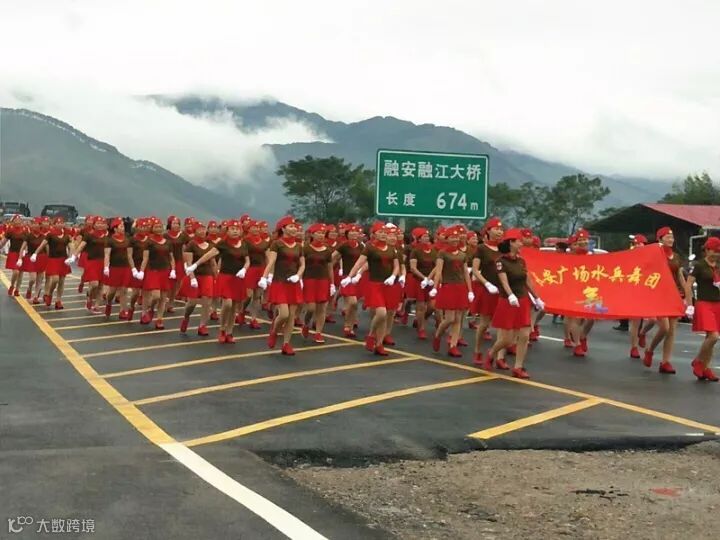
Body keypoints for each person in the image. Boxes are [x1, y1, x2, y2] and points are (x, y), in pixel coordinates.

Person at [484, 228, 545, 379]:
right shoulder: (501, 262)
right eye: (519, 241)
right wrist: (510, 295)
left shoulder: (521, 261)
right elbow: (503, 281)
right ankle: (492, 353)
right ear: (511, 243)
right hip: (508, 301)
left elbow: (527, 281)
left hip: (523, 300)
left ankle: (518, 366)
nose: (521, 244)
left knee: (524, 335)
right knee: (507, 339)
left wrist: (536, 298)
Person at [186, 220, 249, 343]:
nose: (235, 231)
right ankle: (222, 329)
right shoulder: (223, 243)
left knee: (234, 307)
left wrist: (244, 269)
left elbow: (247, 260)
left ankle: (229, 332)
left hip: (238, 278)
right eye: (232, 229)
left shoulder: (243, 244)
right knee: (227, 304)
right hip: (225, 277)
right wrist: (195, 265)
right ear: (227, 231)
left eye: (237, 229)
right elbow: (209, 254)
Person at [342, 222, 399, 355]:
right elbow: (359, 264)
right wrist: (350, 276)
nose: (383, 235)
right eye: (380, 232)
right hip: (375, 285)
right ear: (374, 234)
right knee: (381, 313)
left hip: (388, 285)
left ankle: (379, 345)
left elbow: (396, 266)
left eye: (385, 232)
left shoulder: (392, 249)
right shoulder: (370, 248)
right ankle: (371, 334)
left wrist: (393, 276)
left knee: (384, 317)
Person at [640, 227, 687, 374]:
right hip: (659, 295)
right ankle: (650, 350)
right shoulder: (656, 254)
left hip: (674, 295)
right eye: (667, 237)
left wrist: (687, 296)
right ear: (660, 239)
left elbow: (680, 276)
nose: (671, 239)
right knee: (664, 328)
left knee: (671, 331)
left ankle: (666, 362)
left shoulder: (676, 256)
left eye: (672, 237)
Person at [260, 216, 305, 355]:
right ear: (283, 229)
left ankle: (286, 344)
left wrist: (298, 276)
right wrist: (264, 276)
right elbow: (271, 261)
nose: (294, 229)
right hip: (279, 282)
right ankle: (274, 331)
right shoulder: (277, 244)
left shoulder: (299, 246)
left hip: (293, 283)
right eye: (290, 226)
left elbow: (302, 264)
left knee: (291, 316)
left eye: (295, 226)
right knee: (284, 314)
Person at [430, 226, 474, 357]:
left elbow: (465, 273)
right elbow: (438, 271)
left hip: (461, 287)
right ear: (447, 239)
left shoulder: (462, 255)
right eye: (452, 237)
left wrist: (470, 290)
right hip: (448, 286)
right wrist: (434, 287)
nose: (455, 239)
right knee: (449, 318)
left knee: (458, 318)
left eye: (456, 237)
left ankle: (453, 346)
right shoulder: (442, 253)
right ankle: (438, 335)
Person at [685, 236, 720, 381]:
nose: (717, 254)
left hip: (717, 304)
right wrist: (690, 305)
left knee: (711, 339)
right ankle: (698, 361)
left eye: (719, 251)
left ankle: (705, 368)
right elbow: (688, 285)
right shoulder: (699, 265)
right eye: (714, 251)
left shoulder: (718, 265)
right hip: (704, 303)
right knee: (713, 336)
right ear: (707, 250)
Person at [471, 217, 504, 366]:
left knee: (503, 325)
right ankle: (477, 350)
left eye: (501, 229)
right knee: (484, 323)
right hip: (487, 290)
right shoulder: (481, 249)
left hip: (502, 289)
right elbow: (475, 270)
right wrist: (487, 284)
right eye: (496, 229)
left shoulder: (504, 248)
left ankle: (499, 357)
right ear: (488, 231)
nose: (499, 232)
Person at [138, 217, 176, 329]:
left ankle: (159, 319)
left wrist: (173, 269)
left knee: (163, 297)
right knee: (155, 296)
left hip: (165, 271)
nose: (158, 228)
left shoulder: (168, 242)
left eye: (160, 226)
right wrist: (141, 271)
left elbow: (171, 257)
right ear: (152, 228)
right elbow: (145, 258)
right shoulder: (148, 242)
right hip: (152, 270)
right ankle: (149, 309)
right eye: (156, 227)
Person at [179, 222, 216, 336]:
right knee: (192, 303)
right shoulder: (191, 244)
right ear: (195, 231)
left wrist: (216, 277)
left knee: (207, 301)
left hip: (207, 275)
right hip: (194, 275)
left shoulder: (210, 245)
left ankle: (202, 325)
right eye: (199, 229)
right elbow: (188, 263)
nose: (202, 231)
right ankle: (186, 317)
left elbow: (213, 263)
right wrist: (192, 278)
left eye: (203, 229)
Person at [301, 223, 334, 343]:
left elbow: (330, 268)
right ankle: (306, 324)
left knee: (322, 308)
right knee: (311, 308)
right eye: (318, 233)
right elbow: (301, 265)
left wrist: (332, 284)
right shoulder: (305, 249)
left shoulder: (327, 250)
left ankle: (318, 333)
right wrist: (300, 279)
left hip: (323, 281)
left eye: (323, 233)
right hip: (309, 280)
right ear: (312, 235)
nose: (321, 235)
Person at [69, 216, 109, 313]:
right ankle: (89, 297)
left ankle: (97, 306)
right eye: (98, 223)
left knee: (101, 285)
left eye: (102, 223)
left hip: (102, 261)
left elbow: (108, 251)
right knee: (94, 284)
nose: (100, 225)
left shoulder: (106, 236)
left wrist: (107, 264)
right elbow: (81, 246)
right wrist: (74, 256)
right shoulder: (89, 235)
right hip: (92, 262)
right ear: (94, 225)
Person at [30, 219, 71, 309]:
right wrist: (35, 253)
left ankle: (58, 300)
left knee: (61, 281)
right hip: (53, 259)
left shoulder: (66, 235)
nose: (60, 224)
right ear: (54, 224)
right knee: (55, 279)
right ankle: (49, 294)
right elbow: (42, 245)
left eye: (61, 223)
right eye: (58, 223)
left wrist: (71, 257)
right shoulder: (50, 235)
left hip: (63, 260)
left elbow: (70, 247)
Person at [333, 224, 364, 337]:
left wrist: (360, 273)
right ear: (347, 234)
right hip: (347, 277)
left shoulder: (361, 246)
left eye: (356, 232)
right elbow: (333, 257)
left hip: (357, 278)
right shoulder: (344, 245)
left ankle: (350, 326)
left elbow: (365, 261)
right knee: (352, 302)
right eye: (351, 232)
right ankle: (347, 325)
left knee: (355, 304)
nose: (354, 234)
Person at [407, 227, 437, 340]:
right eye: (424, 236)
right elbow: (413, 268)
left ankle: (420, 320)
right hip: (420, 281)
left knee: (432, 306)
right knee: (421, 306)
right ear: (419, 239)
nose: (427, 238)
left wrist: (431, 278)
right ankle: (421, 329)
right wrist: (424, 278)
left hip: (431, 281)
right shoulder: (416, 251)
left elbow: (437, 266)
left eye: (427, 236)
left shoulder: (433, 251)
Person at [102, 218, 132, 320]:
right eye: (121, 226)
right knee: (112, 291)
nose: (123, 228)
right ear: (115, 229)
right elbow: (107, 254)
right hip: (114, 268)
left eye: (123, 226)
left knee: (124, 290)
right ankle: (108, 303)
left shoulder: (127, 239)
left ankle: (123, 311)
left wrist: (133, 268)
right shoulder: (110, 240)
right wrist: (106, 267)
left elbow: (129, 255)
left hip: (125, 267)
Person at [1, 215, 27, 296]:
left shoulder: (25, 230)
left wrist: (26, 250)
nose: (18, 221)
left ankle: (17, 289)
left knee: (20, 273)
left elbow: (28, 241)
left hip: (22, 253)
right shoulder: (10, 230)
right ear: (13, 221)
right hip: (13, 253)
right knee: (16, 272)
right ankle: (12, 285)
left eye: (19, 220)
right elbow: (4, 241)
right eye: (16, 220)